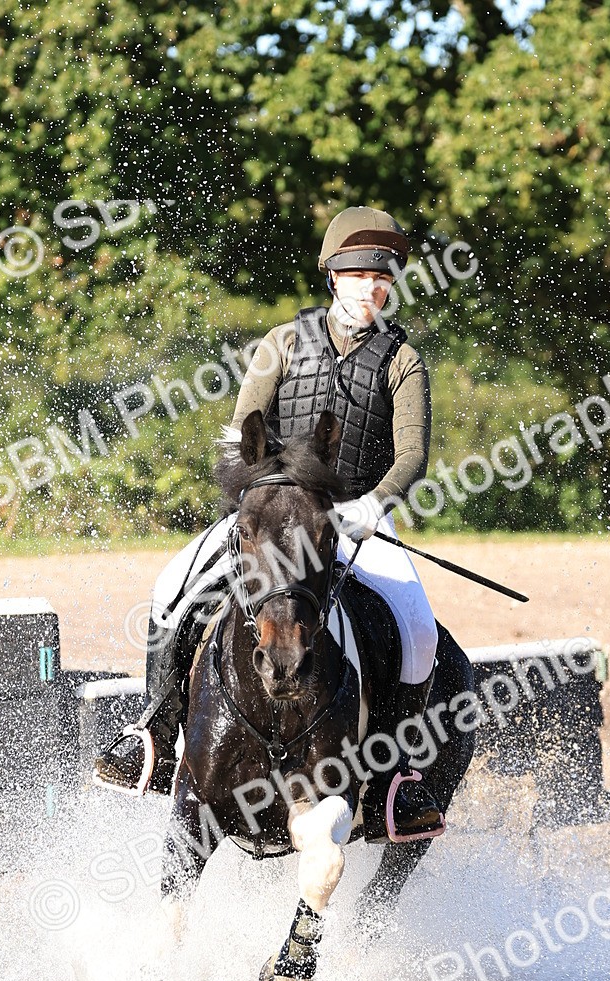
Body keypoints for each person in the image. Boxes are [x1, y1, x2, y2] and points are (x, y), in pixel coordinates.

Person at [94, 205, 443, 839]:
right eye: (362, 275)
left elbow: (413, 454)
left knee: (417, 628)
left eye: (384, 277)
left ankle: (398, 778)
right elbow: (240, 435)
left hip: (357, 516)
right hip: (272, 513)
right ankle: (154, 730)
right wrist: (252, 499)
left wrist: (372, 505)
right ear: (334, 278)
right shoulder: (281, 344)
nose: (374, 287)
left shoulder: (402, 360)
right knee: (172, 589)